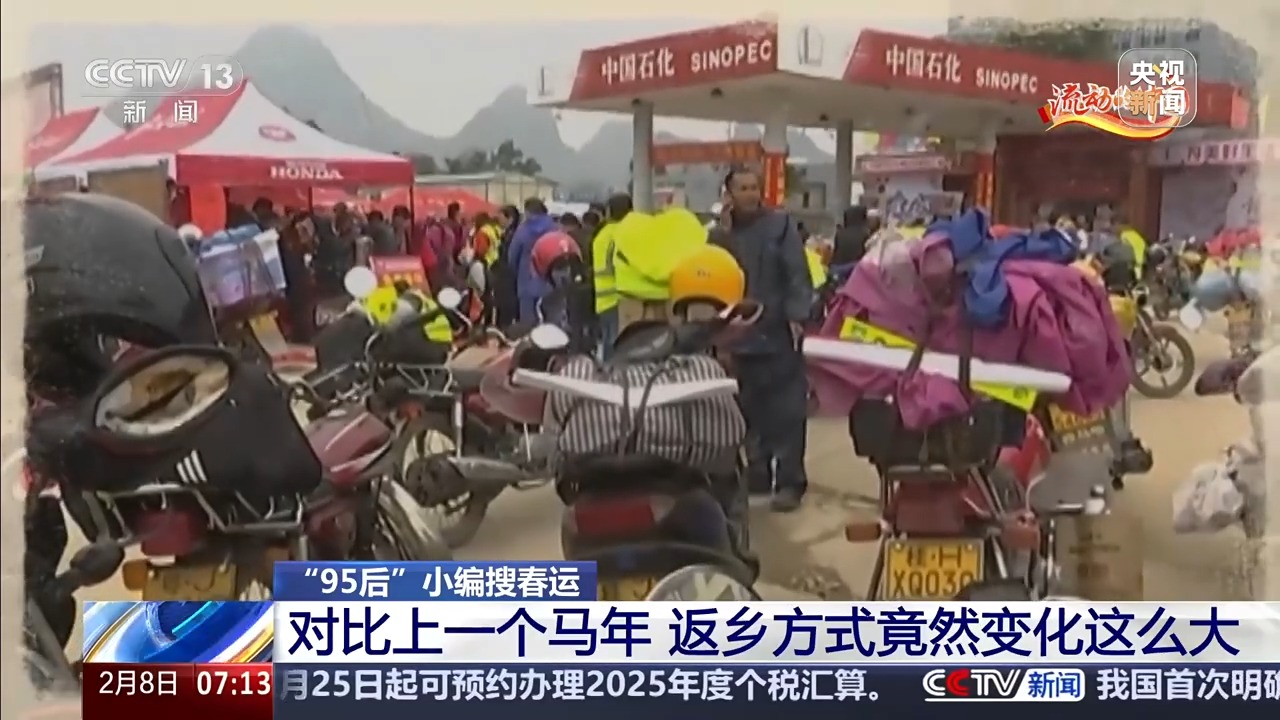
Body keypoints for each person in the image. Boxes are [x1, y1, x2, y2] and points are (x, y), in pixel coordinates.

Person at [718, 168, 813, 512]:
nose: (749, 194)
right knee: (746, 412)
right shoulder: (719, 235)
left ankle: (790, 482)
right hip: (736, 338)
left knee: (787, 412)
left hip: (776, 334)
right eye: (742, 188)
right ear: (728, 194)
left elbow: (797, 273)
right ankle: (757, 473)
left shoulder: (779, 226)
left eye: (753, 187)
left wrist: (797, 316)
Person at [507, 197, 560, 323]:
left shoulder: (523, 230)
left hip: (526, 280)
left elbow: (513, 255)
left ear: (527, 211)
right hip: (550, 282)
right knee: (551, 320)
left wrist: (516, 273)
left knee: (528, 323)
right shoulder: (555, 229)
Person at [592, 193, 631, 353]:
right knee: (620, 345)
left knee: (609, 345)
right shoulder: (623, 232)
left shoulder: (601, 234)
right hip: (619, 298)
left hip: (602, 299)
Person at [491, 205, 521, 326]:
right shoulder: (509, 234)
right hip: (505, 278)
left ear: (510, 219)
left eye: (501, 218)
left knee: (505, 311)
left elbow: (509, 258)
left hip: (508, 279)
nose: (499, 221)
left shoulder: (513, 237)